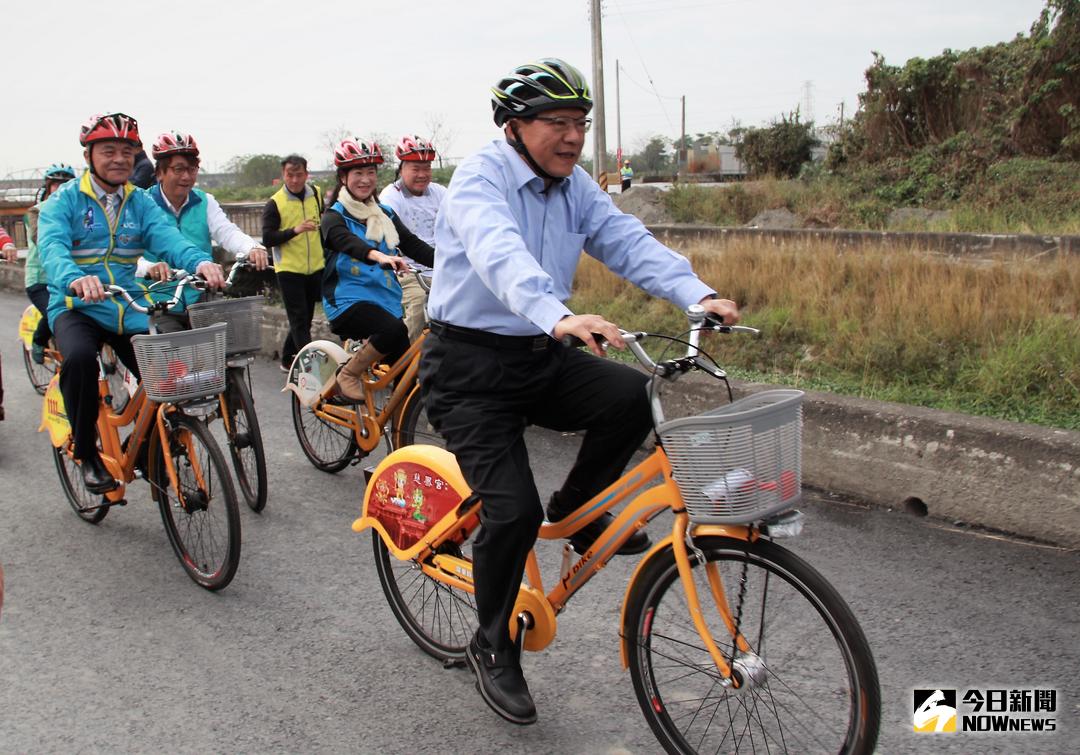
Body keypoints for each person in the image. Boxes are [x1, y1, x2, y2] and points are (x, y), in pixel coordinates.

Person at [419, 58, 740, 725]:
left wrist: (696, 293)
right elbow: (496, 250)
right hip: (469, 368)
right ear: (514, 126)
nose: (572, 137)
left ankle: (581, 507)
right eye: (557, 124)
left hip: (539, 352)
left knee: (631, 396)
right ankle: (492, 643)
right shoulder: (479, 179)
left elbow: (625, 239)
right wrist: (557, 312)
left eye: (581, 124)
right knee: (511, 509)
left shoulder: (576, 184)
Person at [38, 112, 224, 494]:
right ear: (89, 155)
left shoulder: (139, 202)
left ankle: (145, 447)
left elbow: (168, 238)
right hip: (77, 307)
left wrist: (200, 261)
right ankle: (88, 453)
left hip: (124, 307)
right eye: (109, 150)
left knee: (168, 372)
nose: (120, 158)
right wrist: (75, 278)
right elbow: (52, 249)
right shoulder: (64, 202)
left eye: (127, 151)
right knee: (78, 360)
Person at [320, 139, 434, 400]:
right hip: (348, 300)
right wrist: (377, 255)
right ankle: (347, 375)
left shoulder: (385, 214)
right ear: (343, 176)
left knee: (407, 377)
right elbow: (347, 242)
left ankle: (400, 438)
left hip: (385, 300)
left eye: (371, 172)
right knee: (392, 330)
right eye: (358, 173)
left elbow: (414, 246)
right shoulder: (334, 217)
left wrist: (455, 263)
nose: (365, 179)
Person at [147, 131, 269, 271]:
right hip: (153, 290)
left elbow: (226, 232)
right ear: (159, 173)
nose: (186, 177)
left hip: (199, 289)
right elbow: (127, 254)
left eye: (192, 169)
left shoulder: (204, 201)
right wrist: (149, 268)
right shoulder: (143, 203)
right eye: (178, 169)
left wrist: (251, 248)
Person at [377, 136, 447, 341]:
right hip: (407, 271)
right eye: (416, 168)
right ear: (402, 168)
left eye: (427, 168)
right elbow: (398, 241)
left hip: (441, 268)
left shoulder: (440, 193)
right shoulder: (391, 197)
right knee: (417, 310)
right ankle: (403, 366)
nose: (422, 174)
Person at [262, 154, 324, 371]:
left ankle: (288, 358)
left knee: (304, 318)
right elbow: (268, 238)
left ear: (306, 175)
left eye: (299, 175)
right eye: (290, 175)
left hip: (314, 266)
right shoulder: (275, 203)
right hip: (288, 269)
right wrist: (295, 230)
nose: (295, 180)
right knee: (299, 319)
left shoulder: (316, 194)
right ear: (283, 175)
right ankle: (312, 368)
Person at [24, 164, 78, 363]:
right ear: (48, 187)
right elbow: (42, 240)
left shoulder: (78, 210)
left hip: (70, 276)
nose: (61, 189)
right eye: (57, 185)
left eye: (66, 184)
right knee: (54, 312)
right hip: (41, 279)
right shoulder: (37, 211)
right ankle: (39, 340)